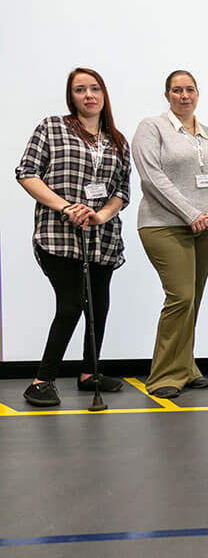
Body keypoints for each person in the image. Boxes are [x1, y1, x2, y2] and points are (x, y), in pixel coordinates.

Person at [15, 68, 131, 407]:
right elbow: (26, 173)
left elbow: (122, 190)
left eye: (95, 89)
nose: (89, 95)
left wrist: (101, 215)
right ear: (72, 97)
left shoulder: (116, 140)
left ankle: (88, 373)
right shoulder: (52, 127)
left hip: (102, 237)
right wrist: (67, 207)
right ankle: (42, 380)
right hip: (59, 236)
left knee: (100, 304)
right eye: (80, 90)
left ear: (104, 94)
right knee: (71, 304)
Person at [132, 71, 208, 399]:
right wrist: (190, 214)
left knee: (194, 300)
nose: (184, 95)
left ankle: (186, 367)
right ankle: (163, 375)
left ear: (198, 94)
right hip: (164, 225)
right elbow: (152, 177)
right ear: (167, 95)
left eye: (190, 89)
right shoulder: (152, 127)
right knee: (181, 298)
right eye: (177, 90)